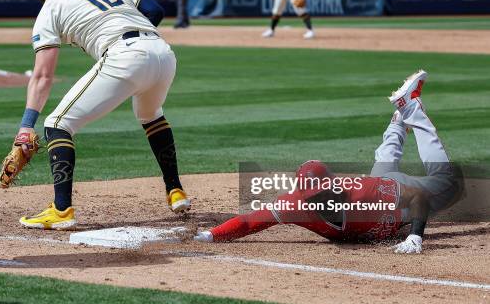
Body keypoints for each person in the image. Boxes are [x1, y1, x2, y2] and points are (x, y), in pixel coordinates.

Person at [5, 0, 190, 229]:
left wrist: (25, 126)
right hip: (163, 53)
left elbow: (42, 75)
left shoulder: (51, 6)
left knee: (57, 124)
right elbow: (155, 10)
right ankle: (175, 190)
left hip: (125, 54)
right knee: (151, 115)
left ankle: (62, 210)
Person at [195, 71, 462, 254]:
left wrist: (415, 236)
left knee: (448, 183)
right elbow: (249, 222)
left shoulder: (361, 192)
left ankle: (410, 107)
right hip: (380, 189)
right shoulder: (294, 204)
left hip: (391, 195)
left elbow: (419, 198)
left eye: (322, 194)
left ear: (334, 186)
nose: (319, 201)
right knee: (385, 162)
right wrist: (211, 235)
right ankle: (399, 118)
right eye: (312, 198)